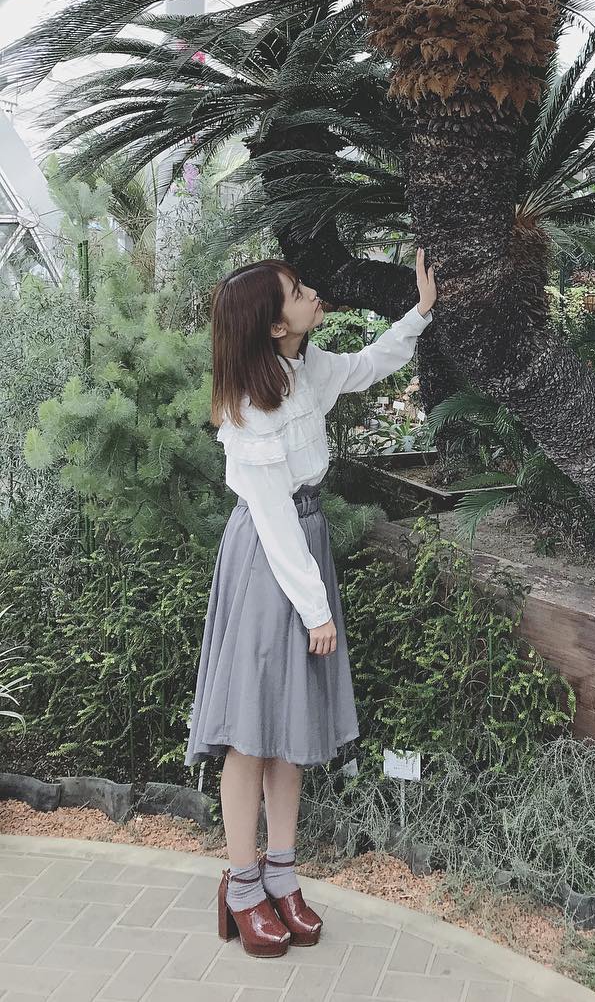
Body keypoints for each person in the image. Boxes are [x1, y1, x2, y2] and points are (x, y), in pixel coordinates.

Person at [185, 249, 437, 956]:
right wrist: (315, 608)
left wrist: (419, 313)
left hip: (304, 545)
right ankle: (241, 886)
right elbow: (270, 517)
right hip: (270, 559)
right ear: (274, 325)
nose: (312, 294)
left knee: (288, 723)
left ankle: (282, 874)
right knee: (250, 731)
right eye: (297, 292)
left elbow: (367, 365)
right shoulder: (247, 409)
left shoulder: (304, 368)